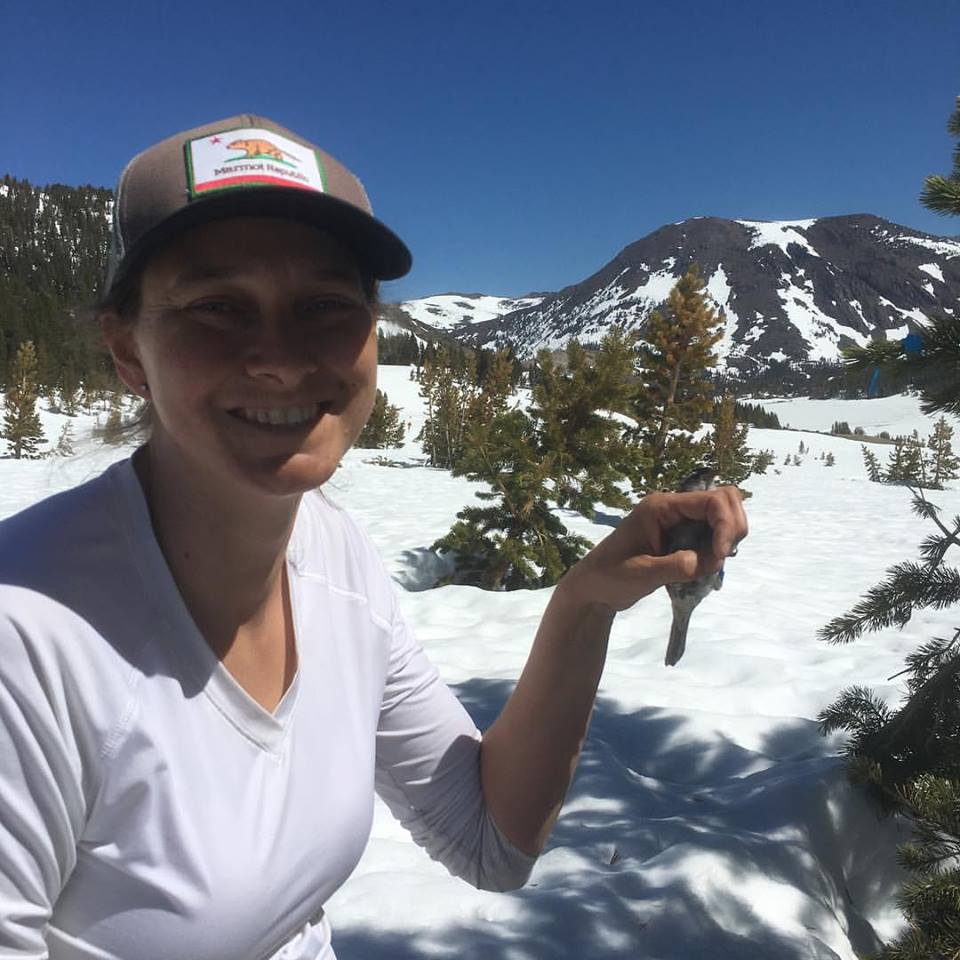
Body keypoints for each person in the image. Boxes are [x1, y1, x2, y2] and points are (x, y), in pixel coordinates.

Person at [0, 115, 747, 959]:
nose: (280, 358)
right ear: (126, 349)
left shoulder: (332, 554)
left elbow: (488, 840)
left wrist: (585, 603)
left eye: (325, 305)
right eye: (216, 307)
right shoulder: (27, 640)